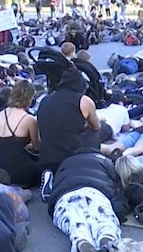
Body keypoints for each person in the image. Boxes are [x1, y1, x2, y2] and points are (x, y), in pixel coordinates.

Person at [47, 150, 129, 252]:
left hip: (64, 196)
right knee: (105, 222)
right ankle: (106, 244)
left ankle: (84, 245)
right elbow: (116, 188)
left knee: (76, 226)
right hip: (94, 192)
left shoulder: (65, 163)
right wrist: (120, 211)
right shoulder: (104, 161)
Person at [37, 69, 102, 199]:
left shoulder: (45, 100)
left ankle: (51, 175)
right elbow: (96, 126)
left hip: (46, 156)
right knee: (95, 133)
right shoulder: (84, 101)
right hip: (71, 155)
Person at [0, 79, 41, 188]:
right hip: (22, 173)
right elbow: (37, 147)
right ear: (29, 98)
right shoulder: (28, 119)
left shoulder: (1, 114)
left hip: (3, 168)